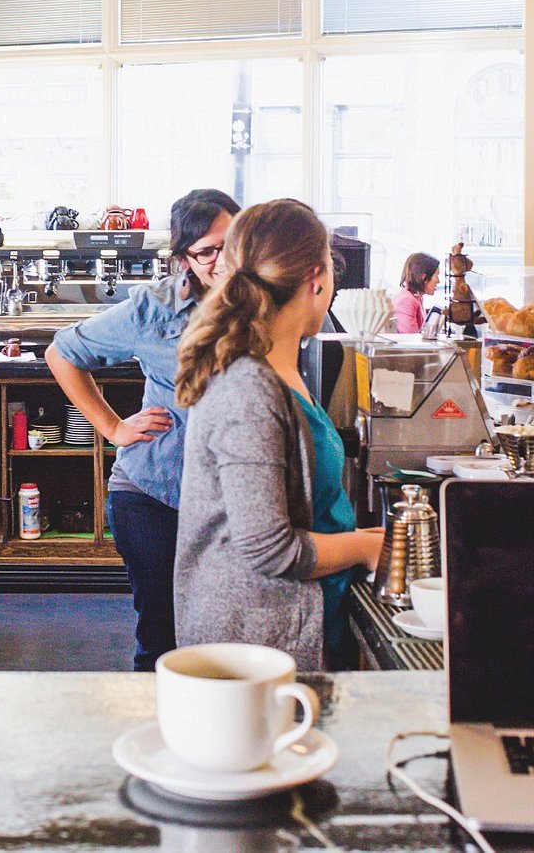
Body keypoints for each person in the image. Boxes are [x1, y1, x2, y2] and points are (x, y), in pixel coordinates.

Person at [174, 199, 384, 671]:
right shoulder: (249, 387)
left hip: (296, 627)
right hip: (255, 649)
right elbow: (268, 547)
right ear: (316, 277)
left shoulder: (280, 369)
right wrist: (367, 547)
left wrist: (366, 535)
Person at [45, 189, 241, 671]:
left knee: (226, 635)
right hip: (155, 493)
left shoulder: (264, 300)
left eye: (232, 243)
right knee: (164, 635)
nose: (222, 260)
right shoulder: (152, 310)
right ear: (184, 259)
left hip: (232, 497)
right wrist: (111, 426)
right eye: (206, 251)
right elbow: (62, 352)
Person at [393, 252, 440, 334]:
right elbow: (411, 339)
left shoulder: (417, 297)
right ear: (424, 278)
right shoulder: (407, 301)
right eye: (436, 276)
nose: (438, 281)